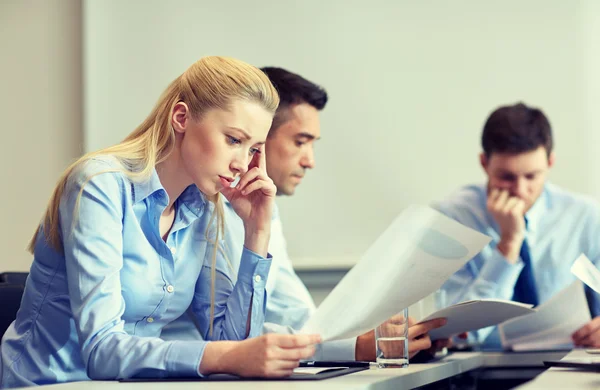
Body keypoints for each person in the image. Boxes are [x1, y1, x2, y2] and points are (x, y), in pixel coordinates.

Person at [0, 56, 321, 388]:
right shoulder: (100, 185)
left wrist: (257, 232)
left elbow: (234, 344)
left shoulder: (205, 207)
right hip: (48, 383)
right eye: (234, 140)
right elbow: (102, 350)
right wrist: (225, 357)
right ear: (181, 118)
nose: (242, 164)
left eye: (254, 150)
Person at [163, 67, 449, 360]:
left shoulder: (263, 211)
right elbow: (235, 342)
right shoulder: (209, 208)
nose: (310, 161)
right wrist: (355, 347)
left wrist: (374, 334)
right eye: (300, 142)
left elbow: (298, 315)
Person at [434, 102, 600, 348]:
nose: (520, 191)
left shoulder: (586, 216)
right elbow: (460, 336)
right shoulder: (451, 219)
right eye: (506, 177)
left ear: (550, 162)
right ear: (484, 163)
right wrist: (509, 244)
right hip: (480, 371)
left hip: (565, 366)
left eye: (532, 176)